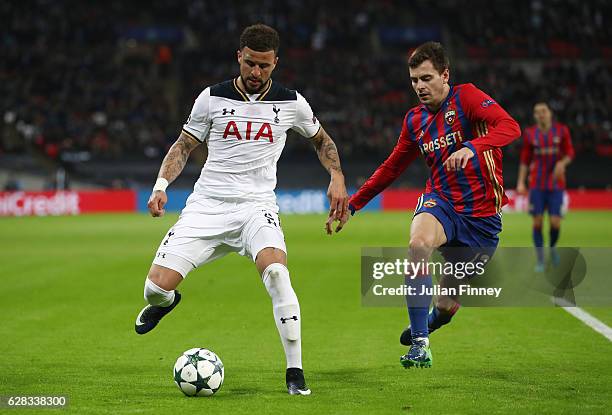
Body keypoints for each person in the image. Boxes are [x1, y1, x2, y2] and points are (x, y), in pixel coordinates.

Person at [133, 24, 349, 395]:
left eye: (264, 66)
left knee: (278, 273)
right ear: (239, 57)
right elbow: (183, 146)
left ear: (275, 63)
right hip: (207, 206)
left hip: (256, 207)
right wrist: (160, 187)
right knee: (154, 290)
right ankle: (167, 303)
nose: (255, 73)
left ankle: (294, 372)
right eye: (250, 63)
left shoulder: (292, 103)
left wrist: (337, 175)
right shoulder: (211, 98)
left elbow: (321, 140)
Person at [333, 42, 520, 368]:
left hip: (483, 219)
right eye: (414, 80)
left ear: (445, 75)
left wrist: (473, 147)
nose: (419, 86)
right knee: (417, 245)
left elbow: (510, 127)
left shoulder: (468, 98)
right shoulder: (414, 120)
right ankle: (420, 344)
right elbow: (392, 167)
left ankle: (431, 321)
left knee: (447, 303)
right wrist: (353, 205)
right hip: (441, 202)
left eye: (426, 78)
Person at [517, 102, 574, 272]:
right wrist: (520, 182)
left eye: (543, 111)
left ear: (550, 113)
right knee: (537, 222)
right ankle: (541, 259)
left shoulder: (562, 131)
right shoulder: (530, 134)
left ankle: (553, 248)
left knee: (555, 222)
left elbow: (570, 153)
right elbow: (525, 160)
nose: (540, 114)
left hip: (556, 184)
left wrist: (562, 163)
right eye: (537, 112)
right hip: (537, 185)